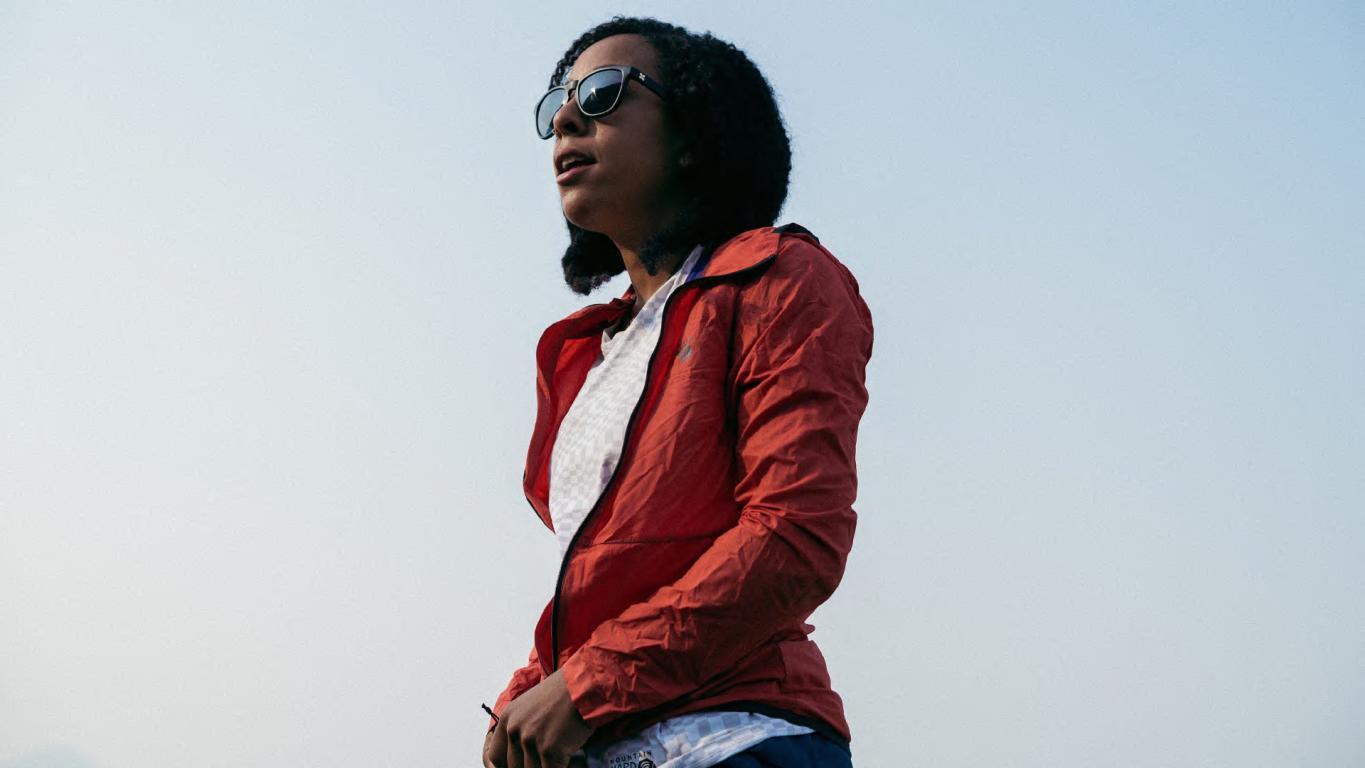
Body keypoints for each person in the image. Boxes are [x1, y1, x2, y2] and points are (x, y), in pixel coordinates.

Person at [483, 15, 874, 768]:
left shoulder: (778, 279)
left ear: (692, 133)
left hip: (738, 738)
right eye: (557, 104)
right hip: (616, 741)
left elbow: (795, 537)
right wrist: (524, 696)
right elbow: (612, 579)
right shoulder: (598, 348)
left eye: (602, 93)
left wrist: (583, 688)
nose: (566, 119)